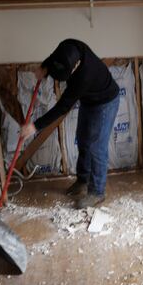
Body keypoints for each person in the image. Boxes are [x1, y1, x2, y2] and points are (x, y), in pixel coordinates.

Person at [20, 38, 119, 209]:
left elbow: (62, 107)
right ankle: (82, 180)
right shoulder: (66, 47)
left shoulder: (84, 75)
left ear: (75, 66)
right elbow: (53, 58)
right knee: (82, 139)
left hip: (105, 102)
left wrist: (35, 126)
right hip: (89, 100)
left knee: (96, 146)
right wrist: (44, 67)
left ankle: (97, 192)